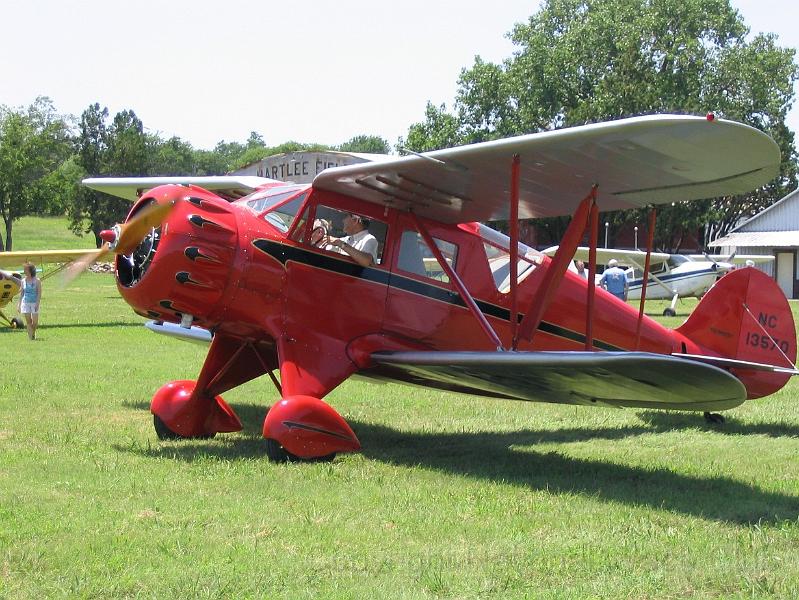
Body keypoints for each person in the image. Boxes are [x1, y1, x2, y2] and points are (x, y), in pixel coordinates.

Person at [18, 262, 42, 340]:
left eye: (26, 269)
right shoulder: (23, 281)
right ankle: (31, 338)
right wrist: (19, 304)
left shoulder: (37, 280)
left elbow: (39, 293)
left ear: (30, 270)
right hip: (25, 303)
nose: (24, 271)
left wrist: (37, 303)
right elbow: (22, 294)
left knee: (35, 322)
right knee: (28, 322)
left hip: (34, 303)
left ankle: (33, 332)